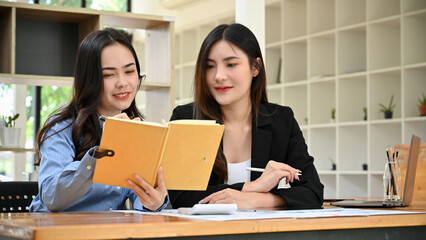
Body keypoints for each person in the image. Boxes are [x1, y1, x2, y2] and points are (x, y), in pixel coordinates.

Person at [169, 23, 323, 209]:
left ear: (255, 68)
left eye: (231, 64)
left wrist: (255, 199)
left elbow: (312, 191)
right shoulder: (186, 118)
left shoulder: (281, 120)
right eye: (210, 66)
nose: (218, 76)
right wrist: (252, 187)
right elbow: (181, 196)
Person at [30, 28, 168, 212]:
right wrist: (103, 152)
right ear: (89, 79)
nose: (122, 82)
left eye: (129, 71)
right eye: (108, 75)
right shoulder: (61, 127)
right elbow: (52, 198)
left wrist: (153, 202)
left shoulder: (135, 129)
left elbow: (138, 200)